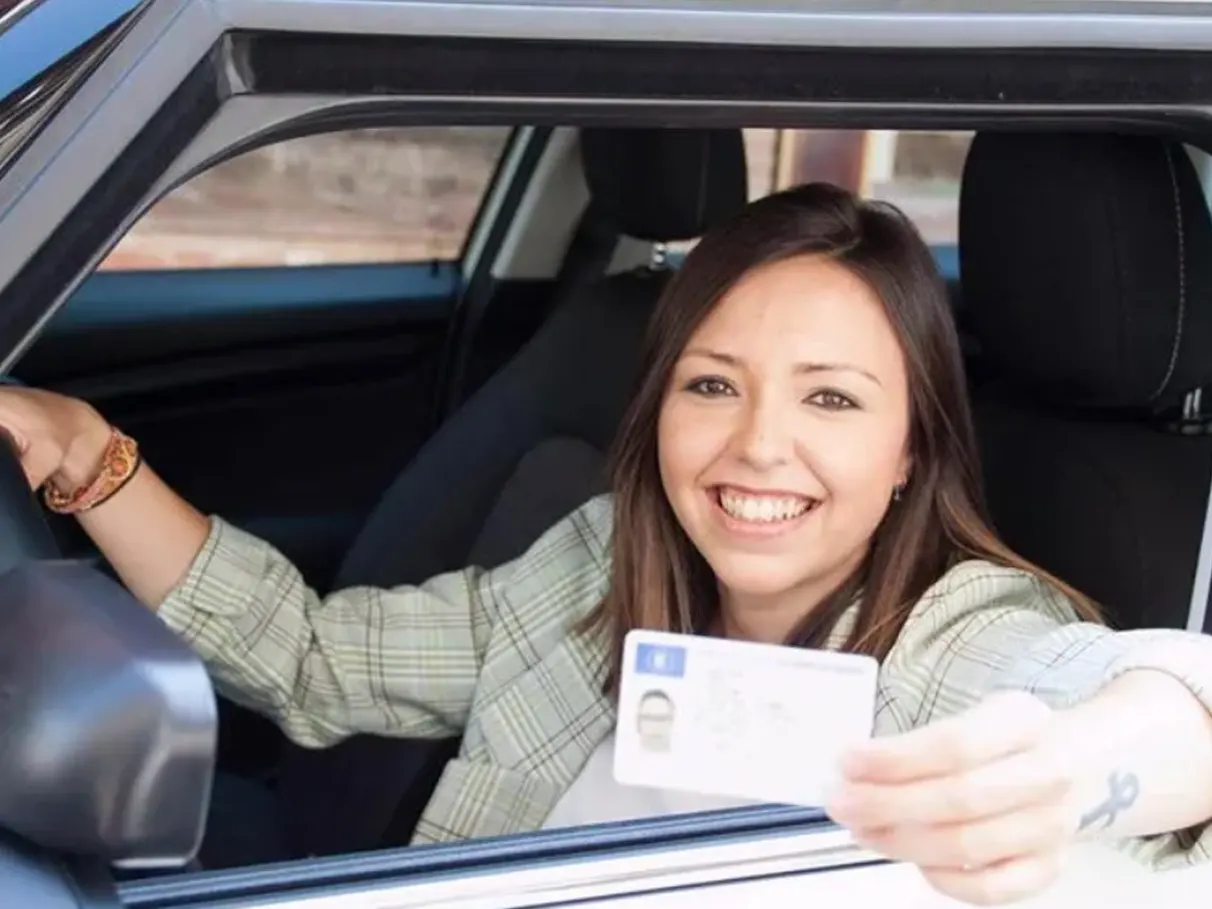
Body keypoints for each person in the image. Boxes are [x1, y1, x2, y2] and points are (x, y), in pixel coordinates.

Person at [2, 182, 1211, 905]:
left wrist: (1072, 772)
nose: (757, 449)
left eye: (831, 401)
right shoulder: (599, 561)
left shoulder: (958, 636)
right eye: (713, 385)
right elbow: (314, 660)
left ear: (909, 453)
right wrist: (90, 455)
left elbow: (1161, 711)